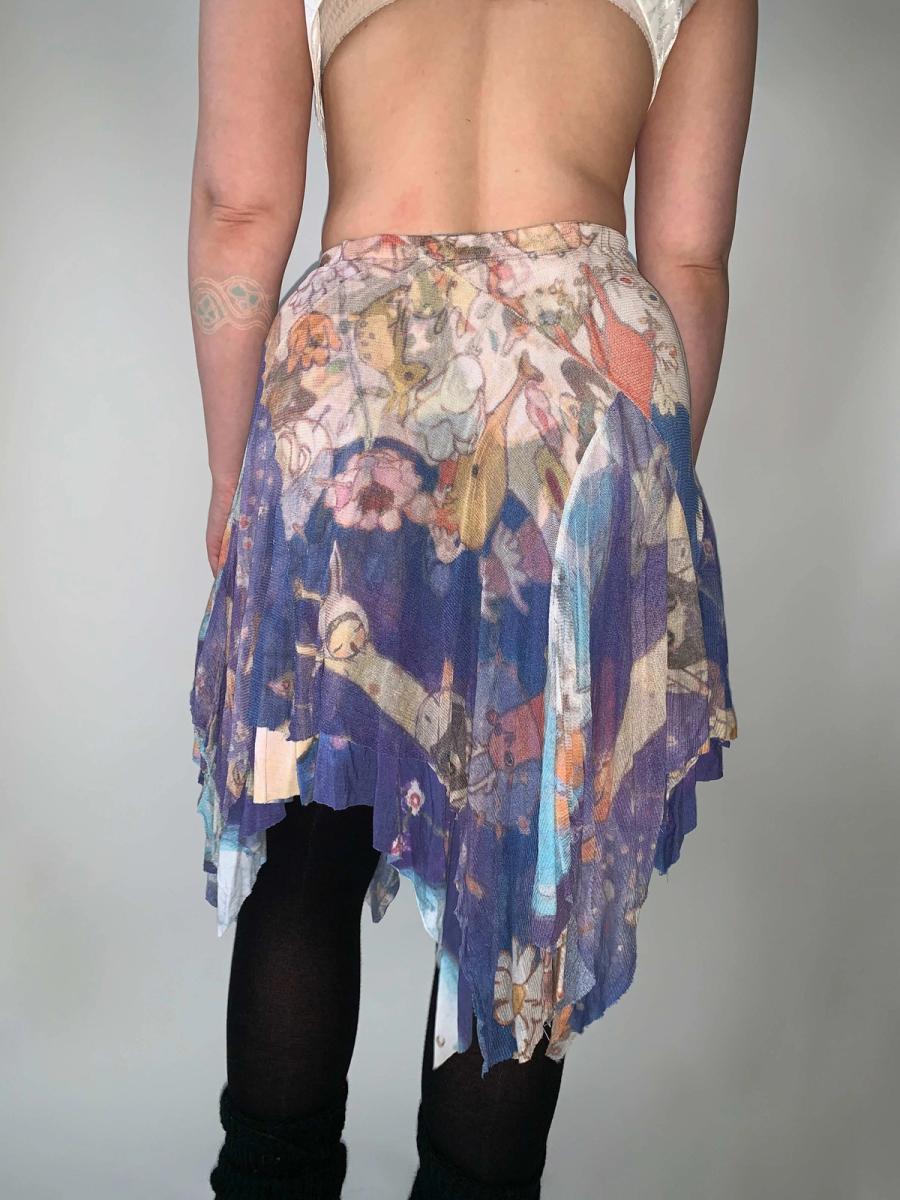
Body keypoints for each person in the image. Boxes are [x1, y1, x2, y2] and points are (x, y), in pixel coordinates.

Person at [187, 1, 756, 1195]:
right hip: (584, 406)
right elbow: (691, 261)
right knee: (531, 874)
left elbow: (241, 210)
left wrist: (232, 474)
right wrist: (642, 513)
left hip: (354, 389)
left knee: (307, 853)